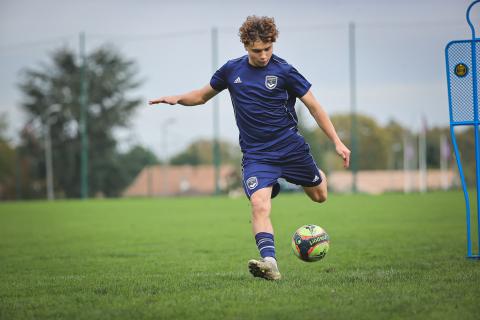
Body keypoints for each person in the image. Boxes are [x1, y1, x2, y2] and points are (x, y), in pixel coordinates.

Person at [149, 15, 350, 281]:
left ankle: (314, 174)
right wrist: (177, 98)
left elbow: (314, 105)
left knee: (319, 196)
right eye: (257, 50)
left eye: (268, 49)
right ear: (246, 46)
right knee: (259, 204)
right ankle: (270, 263)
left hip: (290, 148)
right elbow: (200, 96)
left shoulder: (285, 71)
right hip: (257, 155)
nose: (264, 55)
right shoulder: (231, 71)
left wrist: (336, 141)